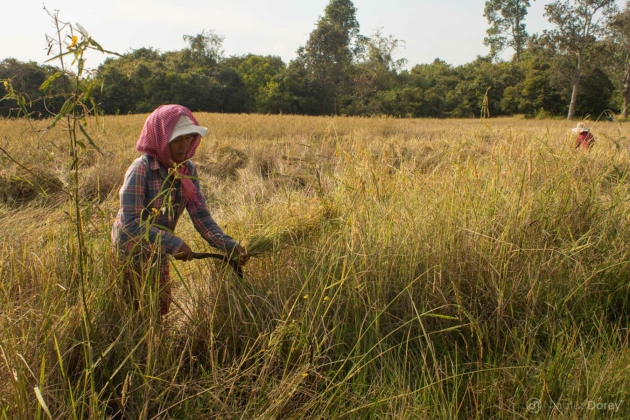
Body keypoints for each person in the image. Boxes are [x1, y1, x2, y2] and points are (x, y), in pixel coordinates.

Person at [111, 104, 248, 315]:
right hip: (132, 253)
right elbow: (130, 224)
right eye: (177, 139)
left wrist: (227, 244)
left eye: (188, 138)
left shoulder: (187, 169)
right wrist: (173, 242)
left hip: (159, 250)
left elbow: (200, 214)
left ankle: (156, 343)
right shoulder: (141, 170)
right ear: (161, 139)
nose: (184, 145)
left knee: (157, 307)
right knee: (134, 310)